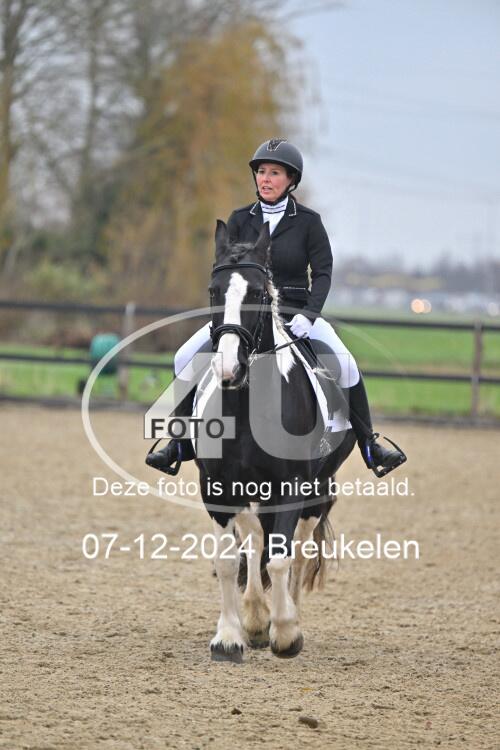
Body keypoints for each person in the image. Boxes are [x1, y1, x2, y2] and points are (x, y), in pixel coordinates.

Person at [146, 138, 406, 476]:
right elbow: (225, 271)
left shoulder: (309, 222)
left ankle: (370, 445)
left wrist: (309, 316)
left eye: (274, 173)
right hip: (244, 316)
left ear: (291, 180)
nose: (265, 179)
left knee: (346, 364)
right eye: (261, 172)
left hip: (296, 314)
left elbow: (323, 274)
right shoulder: (240, 219)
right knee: (184, 357)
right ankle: (178, 443)